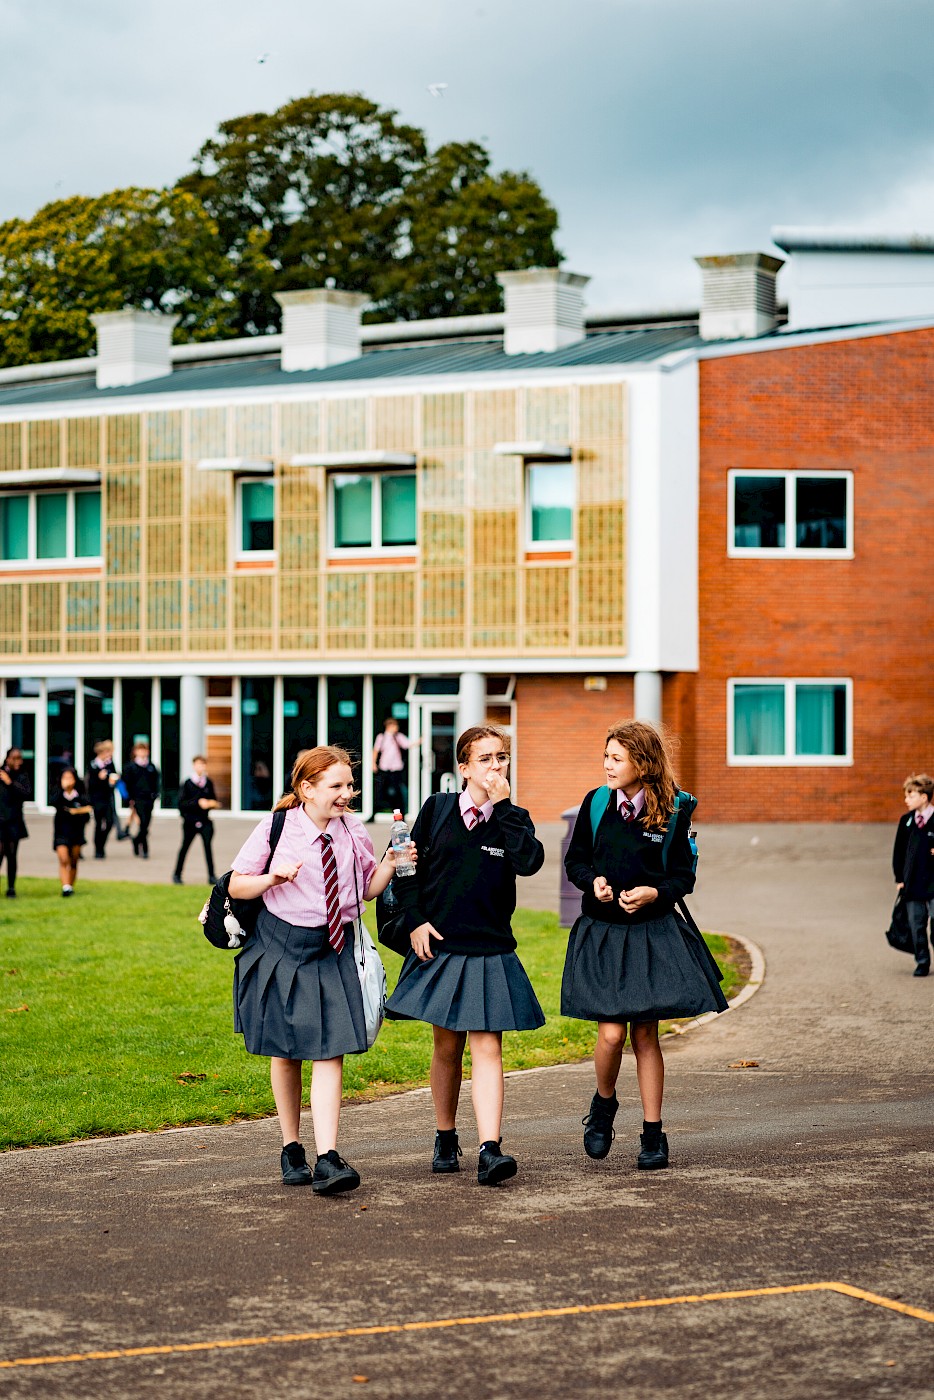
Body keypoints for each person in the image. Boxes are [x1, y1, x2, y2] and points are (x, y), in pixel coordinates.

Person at [228, 746, 399, 1195]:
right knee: (285, 1052)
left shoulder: (352, 829)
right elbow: (235, 883)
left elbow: (367, 889)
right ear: (306, 788)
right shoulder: (277, 827)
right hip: (281, 947)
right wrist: (273, 879)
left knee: (330, 1050)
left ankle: (327, 1157)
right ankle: (291, 1148)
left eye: (349, 786)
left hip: (333, 948)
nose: (347, 795)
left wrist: (391, 863)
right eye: (337, 787)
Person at [562, 720, 728, 1171]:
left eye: (616, 758)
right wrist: (591, 881)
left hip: (652, 935)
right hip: (602, 934)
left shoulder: (675, 809)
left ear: (643, 762)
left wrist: (658, 893)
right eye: (606, 756)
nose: (607, 766)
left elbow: (683, 877)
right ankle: (603, 1105)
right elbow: (575, 860)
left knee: (646, 1034)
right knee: (612, 1034)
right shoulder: (596, 803)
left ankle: (653, 1135)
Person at [385, 725, 545, 1186]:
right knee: (446, 1045)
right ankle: (445, 1134)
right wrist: (414, 919)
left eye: (502, 758)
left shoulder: (514, 816)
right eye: (486, 759)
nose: (496, 766)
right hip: (442, 945)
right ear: (463, 768)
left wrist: (506, 805)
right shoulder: (436, 809)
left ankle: (490, 1148)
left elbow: (529, 862)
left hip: (490, 947)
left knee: (488, 1046)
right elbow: (407, 867)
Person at [893, 773, 934, 977]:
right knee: (916, 925)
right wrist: (899, 878)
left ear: (924, 797)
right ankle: (922, 961)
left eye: (910, 795)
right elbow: (898, 852)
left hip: (933, 884)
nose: (906, 800)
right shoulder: (906, 821)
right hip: (912, 883)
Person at [173, 756, 220, 886]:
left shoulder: (208, 783)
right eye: (198, 764)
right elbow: (181, 803)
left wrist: (211, 803)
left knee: (208, 848)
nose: (201, 767)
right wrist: (198, 803)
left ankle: (211, 876)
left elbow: (214, 800)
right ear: (194, 766)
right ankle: (177, 874)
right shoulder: (187, 783)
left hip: (205, 821)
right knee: (184, 847)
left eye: (203, 764)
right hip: (190, 822)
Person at [51, 768, 92, 897]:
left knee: (73, 860)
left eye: (70, 778)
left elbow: (88, 810)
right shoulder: (58, 793)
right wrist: (63, 790)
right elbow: (52, 802)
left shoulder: (80, 795)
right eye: (65, 778)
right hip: (61, 831)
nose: (67, 781)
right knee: (63, 859)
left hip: (77, 831)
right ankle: (66, 887)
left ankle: (70, 885)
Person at [372, 717, 420, 815]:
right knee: (380, 791)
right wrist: (373, 763)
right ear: (389, 726)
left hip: (396, 769)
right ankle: (374, 812)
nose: (397, 727)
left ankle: (400, 813)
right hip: (384, 768)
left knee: (397, 792)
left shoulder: (398, 737)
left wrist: (420, 740)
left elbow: (408, 744)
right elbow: (376, 751)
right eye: (395, 725)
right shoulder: (381, 737)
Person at [120, 742, 160, 859]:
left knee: (146, 824)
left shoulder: (151, 767)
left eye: (144, 750)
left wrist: (155, 794)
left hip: (149, 799)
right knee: (142, 822)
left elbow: (156, 782)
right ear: (135, 752)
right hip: (137, 799)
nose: (142, 753)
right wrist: (128, 799)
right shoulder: (130, 767)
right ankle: (145, 849)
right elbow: (126, 784)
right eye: (140, 750)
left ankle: (136, 840)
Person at [0, 748, 30, 899]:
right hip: (0, 821)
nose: (18, 761)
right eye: (15, 758)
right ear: (7, 759)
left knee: (11, 855)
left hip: (13, 822)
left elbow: (26, 794)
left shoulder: (21, 776)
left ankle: (11, 887)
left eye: (20, 758)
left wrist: (10, 783)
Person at [87, 740, 120, 859]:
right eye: (108, 752)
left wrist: (113, 781)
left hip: (108, 798)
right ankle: (98, 848)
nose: (110, 755)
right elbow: (91, 784)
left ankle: (102, 844)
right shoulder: (93, 765)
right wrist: (100, 778)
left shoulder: (110, 764)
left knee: (110, 822)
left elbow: (114, 776)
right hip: (97, 799)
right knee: (99, 823)